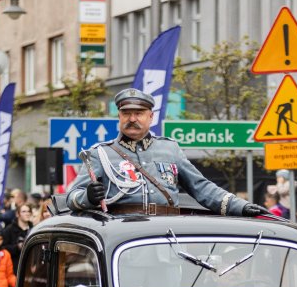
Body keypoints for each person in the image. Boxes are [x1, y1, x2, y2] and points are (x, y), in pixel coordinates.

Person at [67, 88, 265, 217]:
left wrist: (240, 206)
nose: (132, 118)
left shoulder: (170, 149)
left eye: (139, 113)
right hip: (122, 239)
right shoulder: (100, 154)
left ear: (150, 117)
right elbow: (71, 197)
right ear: (119, 116)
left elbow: (201, 188)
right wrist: (89, 197)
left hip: (166, 238)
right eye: (126, 113)